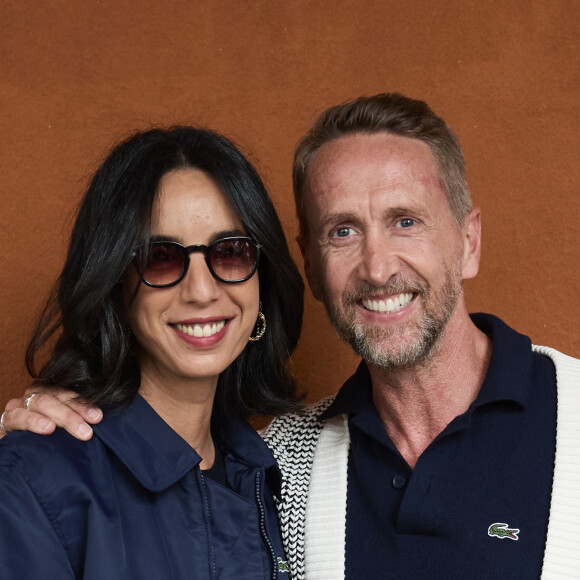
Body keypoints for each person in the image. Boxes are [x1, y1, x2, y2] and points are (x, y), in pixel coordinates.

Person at [3, 94, 580, 579]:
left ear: (469, 241)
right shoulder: (285, 464)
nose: (378, 268)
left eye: (406, 220)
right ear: (308, 265)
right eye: (343, 230)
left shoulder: (255, 474)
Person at [0, 126, 304, 579]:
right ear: (114, 282)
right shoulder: (33, 481)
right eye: (161, 257)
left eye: (231, 253)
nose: (202, 291)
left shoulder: (262, 468)